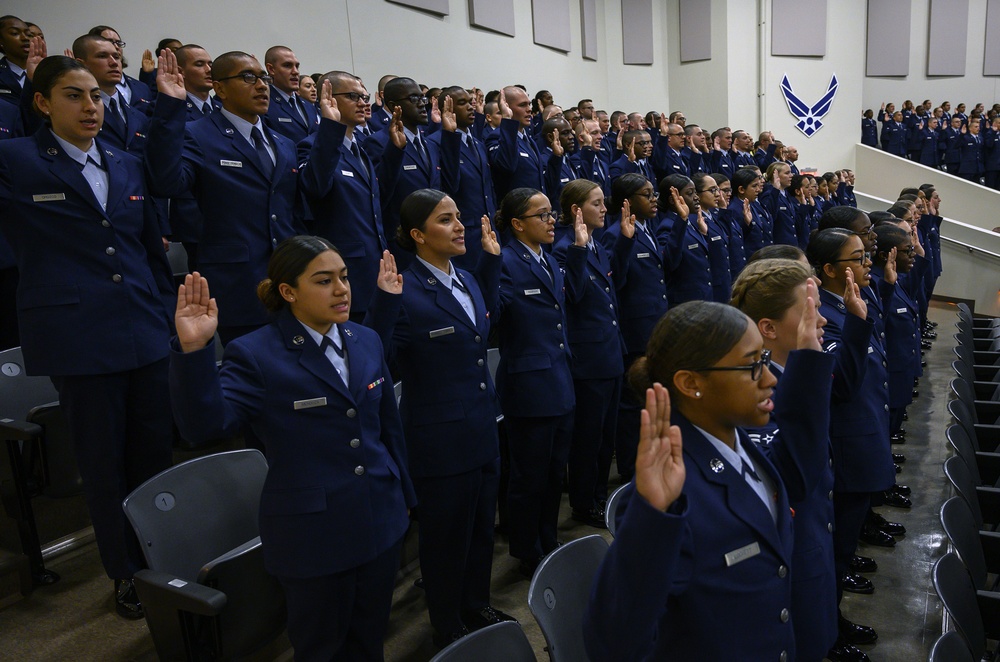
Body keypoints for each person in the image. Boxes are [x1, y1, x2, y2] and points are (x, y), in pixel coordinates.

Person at [170, 236, 415, 661]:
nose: (341, 289)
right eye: (324, 280)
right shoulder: (256, 354)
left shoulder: (365, 339)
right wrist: (195, 350)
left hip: (380, 519)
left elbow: (387, 431)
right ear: (288, 292)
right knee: (322, 647)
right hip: (312, 536)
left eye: (343, 277)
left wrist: (405, 498)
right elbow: (205, 426)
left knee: (370, 640)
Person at [0, 55, 175, 618]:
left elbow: (149, 249)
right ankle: (125, 571)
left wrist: (167, 312)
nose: (91, 107)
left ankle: (161, 554)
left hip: (143, 329)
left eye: (97, 96)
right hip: (78, 338)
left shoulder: (125, 163)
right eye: (74, 95)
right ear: (42, 103)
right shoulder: (16, 160)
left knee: (152, 453)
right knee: (103, 465)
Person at [584, 297, 833, 661]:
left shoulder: (734, 441)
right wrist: (652, 514)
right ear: (691, 382)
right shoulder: (672, 496)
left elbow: (795, 474)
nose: (768, 379)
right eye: (752, 366)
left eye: (765, 360)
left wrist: (808, 361)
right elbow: (614, 643)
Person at [363, 189, 514, 647]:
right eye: (445, 220)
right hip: (438, 440)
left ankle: (476, 603)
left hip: (482, 426)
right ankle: (448, 624)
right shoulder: (404, 291)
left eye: (457, 216)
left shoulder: (466, 280)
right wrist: (383, 303)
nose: (459, 225)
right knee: (445, 539)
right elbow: (374, 358)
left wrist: (488, 264)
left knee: (480, 530)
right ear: (417, 235)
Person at [146, 48, 305, 344]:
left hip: (288, 278)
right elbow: (166, 183)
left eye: (263, 78)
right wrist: (169, 107)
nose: (261, 86)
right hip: (236, 281)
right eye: (248, 77)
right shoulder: (198, 133)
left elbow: (291, 209)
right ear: (219, 88)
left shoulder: (284, 143)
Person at [806, 227, 895, 661]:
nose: (866, 265)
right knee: (836, 552)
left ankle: (832, 621)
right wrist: (858, 324)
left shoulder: (846, 301)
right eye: (856, 258)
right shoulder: (827, 313)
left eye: (864, 256)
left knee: (842, 547)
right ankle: (829, 633)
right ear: (829, 269)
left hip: (862, 437)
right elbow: (841, 384)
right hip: (846, 449)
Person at [494, 188, 574, 577]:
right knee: (529, 475)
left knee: (554, 470)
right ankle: (527, 549)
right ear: (516, 223)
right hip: (527, 385)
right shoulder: (506, 262)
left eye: (550, 213)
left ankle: (548, 539)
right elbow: (495, 316)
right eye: (541, 215)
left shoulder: (548, 259)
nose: (550, 220)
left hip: (558, 378)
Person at [553, 180, 631, 527]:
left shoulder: (597, 244)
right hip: (588, 360)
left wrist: (625, 244)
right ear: (576, 210)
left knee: (605, 437)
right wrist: (579, 250)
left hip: (609, 353)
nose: (604, 209)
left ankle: (601, 496)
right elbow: (576, 296)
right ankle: (585, 503)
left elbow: (615, 289)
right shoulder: (564, 248)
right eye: (596, 203)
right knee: (588, 439)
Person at [601, 173, 666, 485]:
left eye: (654, 193)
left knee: (649, 400)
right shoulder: (617, 234)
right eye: (646, 194)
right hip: (633, 332)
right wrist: (626, 242)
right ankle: (629, 468)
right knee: (631, 405)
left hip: (652, 329)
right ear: (627, 202)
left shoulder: (647, 229)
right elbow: (617, 282)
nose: (654, 199)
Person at [657, 173, 730, 305]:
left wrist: (705, 235)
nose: (696, 197)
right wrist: (682, 220)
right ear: (673, 199)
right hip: (687, 302)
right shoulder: (668, 225)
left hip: (704, 296)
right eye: (690, 193)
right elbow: (670, 262)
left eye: (696, 192)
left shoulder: (691, 222)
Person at [264, 45, 318, 143]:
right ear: (271, 69)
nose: (295, 72)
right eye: (287, 65)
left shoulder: (308, 106)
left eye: (297, 66)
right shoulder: (265, 103)